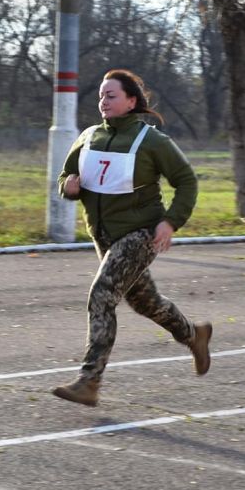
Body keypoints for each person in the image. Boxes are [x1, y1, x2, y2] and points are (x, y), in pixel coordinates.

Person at [52, 68, 212, 407]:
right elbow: (66, 175)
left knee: (101, 295)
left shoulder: (152, 141)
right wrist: (68, 186)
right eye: (100, 96)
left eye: (111, 96)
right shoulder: (89, 136)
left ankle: (89, 381)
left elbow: (187, 181)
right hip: (104, 236)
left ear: (131, 101)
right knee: (145, 303)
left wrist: (171, 222)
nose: (103, 102)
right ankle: (194, 335)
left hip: (141, 234)